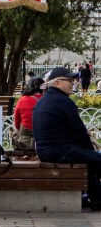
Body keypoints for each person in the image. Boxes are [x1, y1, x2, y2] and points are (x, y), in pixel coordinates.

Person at [33, 67, 101, 210]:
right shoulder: (64, 102)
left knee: (90, 160)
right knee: (96, 158)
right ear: (57, 83)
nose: (73, 83)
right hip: (59, 150)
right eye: (69, 80)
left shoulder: (43, 100)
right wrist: (91, 150)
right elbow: (79, 132)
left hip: (46, 150)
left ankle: (95, 200)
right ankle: (95, 199)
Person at [13, 76, 44, 151]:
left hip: (25, 141)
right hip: (43, 140)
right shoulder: (47, 99)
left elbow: (17, 123)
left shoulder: (22, 100)